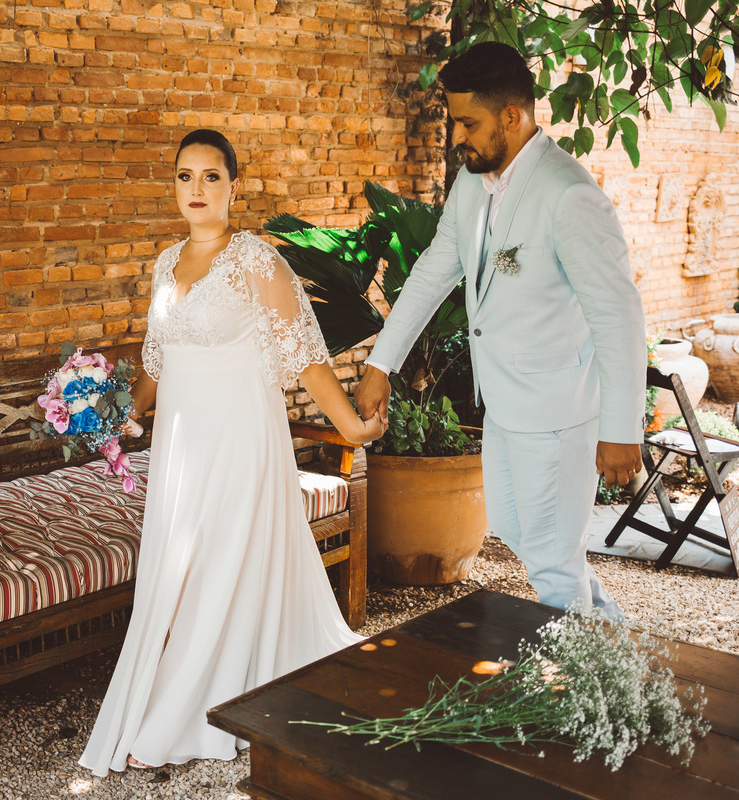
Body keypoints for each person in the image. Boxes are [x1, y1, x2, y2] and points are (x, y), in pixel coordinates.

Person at [79, 129, 382, 776]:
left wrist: (351, 427)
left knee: (217, 569)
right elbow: (157, 363)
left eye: (210, 177)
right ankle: (189, 696)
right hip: (181, 446)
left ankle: (178, 721)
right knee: (182, 573)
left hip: (242, 436)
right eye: (185, 177)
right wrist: (118, 418)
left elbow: (304, 355)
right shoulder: (165, 263)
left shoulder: (256, 261)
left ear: (233, 186)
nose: (196, 189)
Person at [355, 42, 647, 621]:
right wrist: (378, 363)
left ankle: (579, 695)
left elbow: (619, 317)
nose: (457, 136)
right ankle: (611, 645)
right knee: (522, 535)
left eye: (469, 123)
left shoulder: (569, 196)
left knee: (552, 565)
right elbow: (433, 274)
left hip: (559, 415)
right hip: (504, 406)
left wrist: (621, 429)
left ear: (513, 115)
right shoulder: (471, 185)